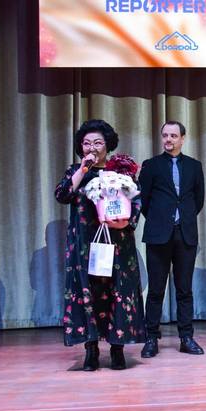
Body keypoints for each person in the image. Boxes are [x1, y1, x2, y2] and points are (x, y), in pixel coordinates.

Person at [55, 119, 145, 371]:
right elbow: (62, 195)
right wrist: (82, 170)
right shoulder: (76, 171)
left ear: (107, 145)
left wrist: (125, 221)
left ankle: (118, 349)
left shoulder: (121, 172)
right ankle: (91, 349)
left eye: (97, 142)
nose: (91, 147)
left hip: (118, 242)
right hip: (85, 243)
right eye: (86, 143)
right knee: (89, 292)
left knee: (118, 291)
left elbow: (137, 201)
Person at [139, 121, 205, 358]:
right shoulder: (151, 165)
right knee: (156, 290)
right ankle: (151, 338)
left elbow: (198, 199)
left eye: (173, 136)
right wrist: (161, 219)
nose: (169, 139)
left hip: (185, 234)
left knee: (184, 289)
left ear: (182, 139)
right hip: (158, 234)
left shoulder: (194, 166)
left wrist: (182, 219)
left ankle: (186, 337)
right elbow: (143, 201)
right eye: (165, 135)